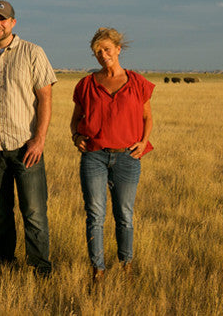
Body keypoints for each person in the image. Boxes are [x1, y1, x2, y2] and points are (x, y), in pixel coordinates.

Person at [0, 0, 55, 277]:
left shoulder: (32, 53)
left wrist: (39, 140)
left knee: (35, 214)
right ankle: (4, 265)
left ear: (13, 22)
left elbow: (45, 99)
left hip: (25, 147)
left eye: (2, 19)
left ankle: (40, 269)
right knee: (0, 216)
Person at [69, 27, 154, 283]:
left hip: (128, 157)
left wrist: (144, 141)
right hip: (94, 156)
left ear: (118, 49)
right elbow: (75, 120)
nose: (103, 55)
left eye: (107, 49)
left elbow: (147, 116)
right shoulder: (86, 84)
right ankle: (98, 270)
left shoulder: (137, 82)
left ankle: (126, 265)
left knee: (124, 215)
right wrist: (76, 137)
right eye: (98, 52)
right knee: (95, 215)